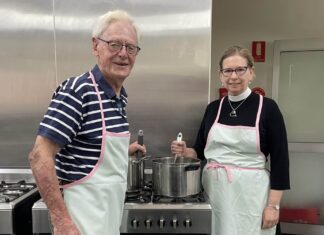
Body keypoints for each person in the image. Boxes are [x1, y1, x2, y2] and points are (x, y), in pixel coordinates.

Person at [28, 10, 146, 235]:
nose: (123, 54)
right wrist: (62, 222)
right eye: (114, 45)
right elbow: (39, 155)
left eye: (130, 47)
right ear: (95, 46)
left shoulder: (119, 97)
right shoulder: (79, 91)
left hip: (107, 221)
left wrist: (125, 151)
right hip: (80, 223)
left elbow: (90, 150)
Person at [171, 46, 290, 235]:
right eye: (227, 70)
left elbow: (281, 162)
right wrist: (186, 152)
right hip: (215, 194)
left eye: (240, 69)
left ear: (251, 72)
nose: (233, 76)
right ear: (221, 75)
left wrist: (273, 206)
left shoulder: (267, 108)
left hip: (252, 197)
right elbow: (200, 151)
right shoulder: (213, 108)